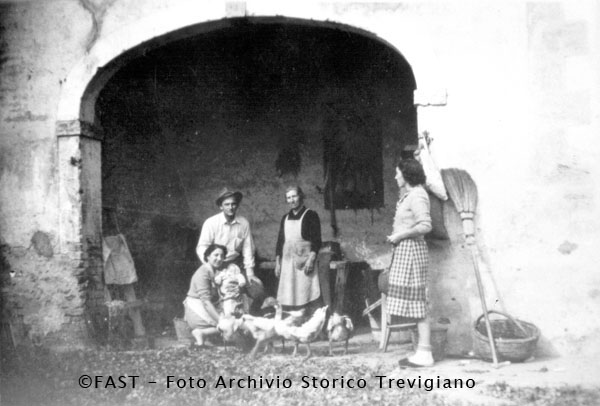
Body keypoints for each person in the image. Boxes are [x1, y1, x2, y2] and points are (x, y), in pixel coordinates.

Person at [386, 158, 434, 367]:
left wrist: (400, 235)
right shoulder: (409, 195)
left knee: (419, 303)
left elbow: (425, 225)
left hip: (413, 253)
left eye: (398, 173)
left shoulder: (418, 195)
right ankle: (422, 351)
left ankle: (425, 352)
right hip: (406, 252)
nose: (395, 176)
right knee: (415, 305)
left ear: (406, 175)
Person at [196, 187, 265, 312]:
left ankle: (245, 317)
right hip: (216, 265)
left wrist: (250, 272)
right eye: (227, 204)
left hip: (236, 265)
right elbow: (202, 247)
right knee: (213, 294)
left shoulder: (243, 223)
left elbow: (248, 248)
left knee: (256, 291)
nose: (231, 207)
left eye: (233, 204)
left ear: (237, 205)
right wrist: (210, 267)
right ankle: (219, 319)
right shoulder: (211, 223)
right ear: (221, 206)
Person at [275, 186, 322, 311]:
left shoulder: (311, 215)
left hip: (304, 262)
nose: (292, 200)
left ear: (301, 196)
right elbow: (280, 242)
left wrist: (311, 260)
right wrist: (277, 263)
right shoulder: (285, 218)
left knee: (305, 294)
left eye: (294, 196)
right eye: (288, 198)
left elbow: (317, 240)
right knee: (289, 295)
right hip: (287, 263)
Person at [184, 244, 228, 347]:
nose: (219, 259)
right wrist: (221, 321)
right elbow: (206, 302)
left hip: (204, 307)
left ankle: (205, 334)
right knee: (230, 326)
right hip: (197, 312)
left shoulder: (213, 271)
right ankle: (202, 332)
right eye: (216, 255)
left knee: (232, 321)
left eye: (222, 256)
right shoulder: (203, 273)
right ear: (208, 256)